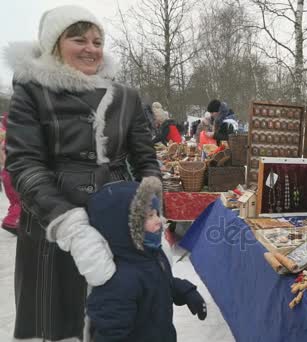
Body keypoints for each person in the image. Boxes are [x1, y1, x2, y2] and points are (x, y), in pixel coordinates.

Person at [4, 5, 161, 340]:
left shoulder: (126, 96)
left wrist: (150, 203)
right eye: (79, 40)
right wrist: (70, 226)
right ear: (54, 44)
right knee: (63, 324)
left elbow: (146, 159)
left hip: (117, 222)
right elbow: (24, 164)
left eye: (97, 41)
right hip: (54, 225)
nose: (91, 49)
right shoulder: (32, 92)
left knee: (119, 319)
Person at [86, 177, 207, 341]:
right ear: (125, 225)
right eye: (149, 216)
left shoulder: (152, 255)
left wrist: (185, 291)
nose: (158, 220)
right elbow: (110, 333)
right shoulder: (118, 279)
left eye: (157, 213)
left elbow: (159, 282)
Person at [0, 112, 20, 236]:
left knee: (14, 201)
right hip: (13, 172)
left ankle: (13, 219)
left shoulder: (4, 139)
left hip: (5, 173)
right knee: (21, 201)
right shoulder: (14, 140)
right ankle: (11, 222)